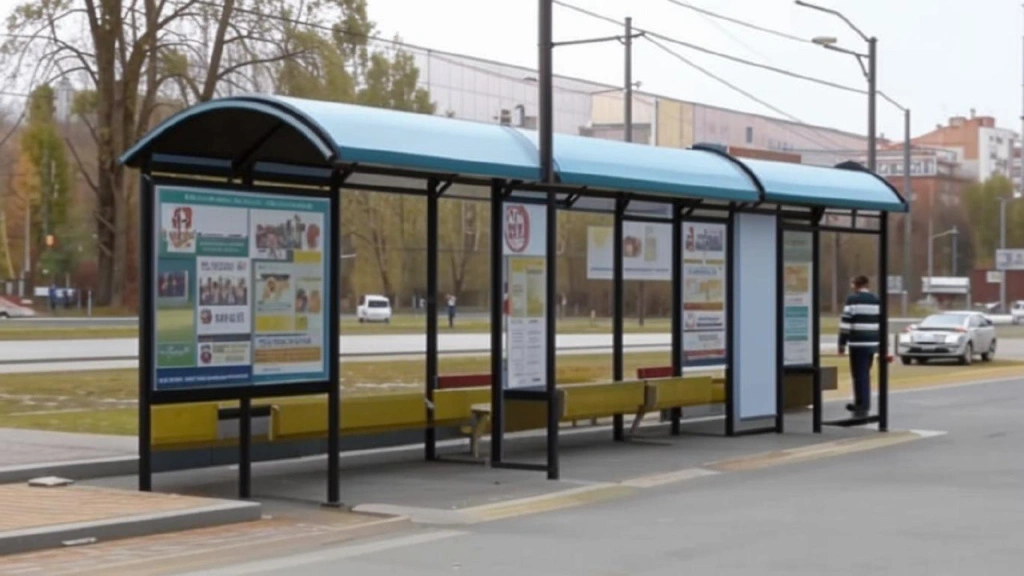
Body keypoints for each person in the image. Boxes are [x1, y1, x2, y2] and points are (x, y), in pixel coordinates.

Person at [837, 275, 880, 417]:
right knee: (865, 373)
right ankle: (863, 402)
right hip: (872, 343)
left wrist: (841, 344)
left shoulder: (852, 300)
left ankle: (861, 404)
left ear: (856, 285)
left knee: (858, 374)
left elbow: (846, 324)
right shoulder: (876, 300)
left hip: (857, 343)